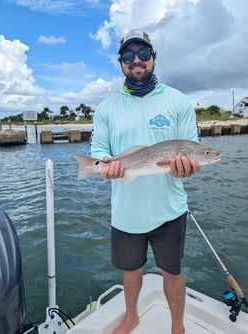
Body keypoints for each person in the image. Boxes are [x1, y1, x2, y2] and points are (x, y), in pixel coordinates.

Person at [90, 29, 200, 334]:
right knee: (130, 271)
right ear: (121, 63)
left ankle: (177, 326)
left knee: (173, 272)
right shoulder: (106, 108)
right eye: (128, 56)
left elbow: (192, 148)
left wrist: (187, 168)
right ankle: (131, 316)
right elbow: (99, 151)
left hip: (169, 210)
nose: (136, 61)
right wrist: (104, 166)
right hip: (125, 212)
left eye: (143, 54)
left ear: (153, 58)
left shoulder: (177, 100)